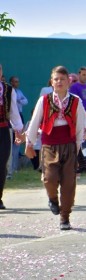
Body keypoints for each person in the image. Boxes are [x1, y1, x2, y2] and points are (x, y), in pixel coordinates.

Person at [22, 66, 86, 229]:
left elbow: (80, 126)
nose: (59, 82)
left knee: (68, 183)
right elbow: (35, 121)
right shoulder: (44, 100)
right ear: (51, 81)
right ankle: (52, 199)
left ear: (68, 82)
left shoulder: (76, 101)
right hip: (49, 144)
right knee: (49, 178)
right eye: (56, 79)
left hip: (69, 144)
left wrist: (77, 147)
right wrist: (29, 144)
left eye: (62, 79)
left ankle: (65, 217)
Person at [0, 64, 24, 210]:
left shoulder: (8, 89)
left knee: (1, 164)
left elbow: (14, 112)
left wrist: (19, 130)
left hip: (3, 130)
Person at [8, 76, 28, 178]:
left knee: (17, 143)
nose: (17, 83)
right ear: (11, 82)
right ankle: (9, 168)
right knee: (9, 145)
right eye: (15, 82)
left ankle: (14, 167)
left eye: (18, 81)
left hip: (19, 115)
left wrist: (19, 101)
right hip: (9, 117)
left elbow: (25, 101)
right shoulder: (8, 90)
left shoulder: (19, 92)